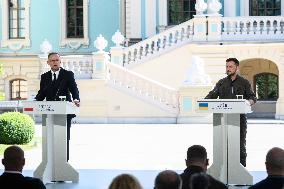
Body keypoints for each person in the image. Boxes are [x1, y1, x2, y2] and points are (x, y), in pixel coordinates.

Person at [205, 58, 257, 167]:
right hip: (223, 119)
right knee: (223, 146)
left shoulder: (244, 82)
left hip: (240, 119)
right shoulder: (221, 82)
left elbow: (252, 97)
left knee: (240, 147)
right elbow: (212, 95)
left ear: (237, 68)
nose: (228, 69)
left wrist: (248, 102)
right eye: (227, 67)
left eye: (230, 67)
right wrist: (204, 101)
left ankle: (241, 170)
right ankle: (223, 170)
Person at [35, 52, 80, 161]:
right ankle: (52, 160)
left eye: (57, 60)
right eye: (52, 60)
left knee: (64, 137)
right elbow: (42, 92)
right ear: (48, 62)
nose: (55, 62)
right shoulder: (44, 76)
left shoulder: (68, 74)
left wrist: (76, 98)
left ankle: (64, 161)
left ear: (60, 61)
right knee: (51, 138)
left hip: (64, 111)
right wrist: (35, 101)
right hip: (50, 113)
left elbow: (74, 89)